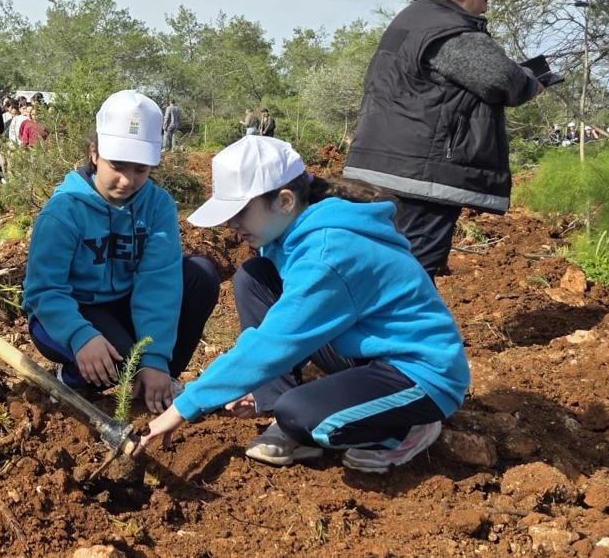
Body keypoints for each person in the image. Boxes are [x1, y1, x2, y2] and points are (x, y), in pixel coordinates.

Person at [139, 136, 468, 472]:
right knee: (254, 277)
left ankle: (406, 429)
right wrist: (253, 385)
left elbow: (274, 342)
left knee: (300, 415)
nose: (231, 224)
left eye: (240, 212)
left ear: (284, 200)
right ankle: (275, 401)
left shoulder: (330, 253)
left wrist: (185, 406)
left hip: (419, 373)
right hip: (367, 348)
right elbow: (285, 325)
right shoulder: (288, 231)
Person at [343, 0, 545, 276]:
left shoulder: (411, 18)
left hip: (376, 164)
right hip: (419, 178)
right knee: (413, 273)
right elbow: (502, 79)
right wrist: (530, 82)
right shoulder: (452, 31)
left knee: (378, 269)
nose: (486, 8)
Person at [23, 91, 218, 411]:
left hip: (124, 304)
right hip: (68, 310)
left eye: (140, 169)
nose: (128, 180)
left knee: (200, 276)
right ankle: (71, 378)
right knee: (118, 359)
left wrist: (154, 359)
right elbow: (44, 290)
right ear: (95, 154)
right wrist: (80, 335)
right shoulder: (64, 210)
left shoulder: (157, 205)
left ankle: (157, 380)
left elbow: (159, 283)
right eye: (117, 166)